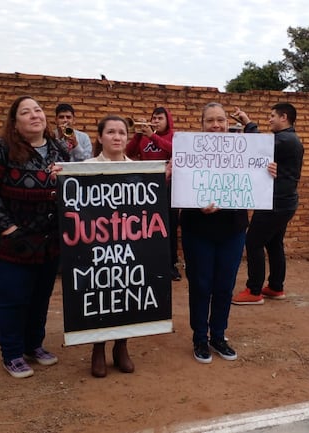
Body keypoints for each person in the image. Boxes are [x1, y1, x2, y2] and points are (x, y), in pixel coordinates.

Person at [0, 96, 69, 379]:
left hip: (48, 244)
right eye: (26, 112)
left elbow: (76, 187)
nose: (34, 115)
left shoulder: (58, 150)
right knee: (14, 297)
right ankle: (12, 353)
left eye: (38, 109)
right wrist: (7, 227)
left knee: (40, 296)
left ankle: (33, 345)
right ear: (15, 123)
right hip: (9, 244)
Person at [180, 102, 260, 364]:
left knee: (225, 286)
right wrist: (196, 205)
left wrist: (269, 172)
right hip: (198, 229)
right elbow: (180, 190)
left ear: (228, 123)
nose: (216, 125)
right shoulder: (189, 152)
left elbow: (258, 174)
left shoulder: (243, 151)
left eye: (221, 120)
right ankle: (200, 338)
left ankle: (218, 335)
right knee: (201, 285)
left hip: (232, 229)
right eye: (210, 121)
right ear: (201, 125)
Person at [230, 103, 304, 305]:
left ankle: (254, 291)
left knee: (253, 242)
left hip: (276, 203)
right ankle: (275, 287)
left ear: (284, 117)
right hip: (283, 201)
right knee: (273, 243)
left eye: (272, 116)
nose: (269, 119)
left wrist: (248, 123)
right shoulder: (288, 139)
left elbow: (259, 147)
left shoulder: (286, 139)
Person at [84, 115, 136, 377]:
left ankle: (121, 346)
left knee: (126, 291)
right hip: (97, 243)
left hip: (130, 242)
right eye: (111, 132)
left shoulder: (140, 169)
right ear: (100, 137)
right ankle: (98, 348)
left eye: (122, 133)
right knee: (100, 291)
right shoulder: (85, 167)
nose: (117, 137)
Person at [125, 107, 182, 282]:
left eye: (159, 118)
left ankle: (171, 264)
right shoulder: (143, 136)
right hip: (147, 186)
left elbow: (176, 152)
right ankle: (148, 262)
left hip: (170, 185)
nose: (155, 121)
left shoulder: (175, 136)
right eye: (153, 118)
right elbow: (128, 153)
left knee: (169, 226)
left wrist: (152, 136)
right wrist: (138, 135)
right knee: (147, 225)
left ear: (168, 121)